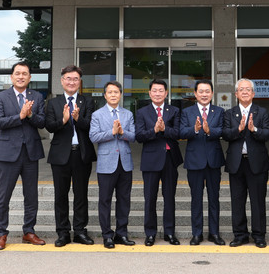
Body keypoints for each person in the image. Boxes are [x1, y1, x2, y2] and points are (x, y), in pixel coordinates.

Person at [0, 61, 46, 250]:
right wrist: (20, 116)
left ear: (30, 77)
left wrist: (30, 115)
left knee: (31, 196)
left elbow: (42, 122)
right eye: (18, 73)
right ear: (11, 77)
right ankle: (1, 234)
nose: (21, 76)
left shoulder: (37, 96)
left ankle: (28, 231)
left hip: (30, 153)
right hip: (8, 154)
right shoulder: (1, 97)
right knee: (3, 196)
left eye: (24, 74)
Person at [44, 65, 97, 247]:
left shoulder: (87, 102)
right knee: (61, 195)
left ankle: (80, 231)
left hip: (81, 154)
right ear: (62, 81)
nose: (72, 82)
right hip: (60, 155)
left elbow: (90, 125)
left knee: (81, 194)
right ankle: (63, 232)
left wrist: (77, 119)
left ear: (80, 82)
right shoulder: (53, 103)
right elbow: (49, 126)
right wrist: (64, 120)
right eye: (68, 78)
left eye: (75, 79)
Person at [223, 78, 269, 248]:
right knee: (237, 201)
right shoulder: (229, 113)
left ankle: (259, 235)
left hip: (257, 163)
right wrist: (238, 129)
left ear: (253, 93)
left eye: (248, 89)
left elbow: (268, 134)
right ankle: (240, 235)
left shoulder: (262, 112)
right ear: (236, 94)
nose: (244, 92)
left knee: (258, 201)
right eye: (241, 89)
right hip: (237, 163)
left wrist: (254, 129)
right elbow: (225, 134)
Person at [135, 79, 183, 246]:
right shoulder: (142, 112)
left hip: (170, 159)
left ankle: (169, 232)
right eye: (154, 90)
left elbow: (177, 133)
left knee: (169, 198)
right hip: (150, 160)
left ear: (166, 93)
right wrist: (154, 130)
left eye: (161, 90)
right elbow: (139, 136)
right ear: (149, 93)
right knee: (150, 198)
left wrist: (164, 129)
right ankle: (150, 233)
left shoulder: (174, 110)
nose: (157, 93)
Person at [89, 80, 136, 249]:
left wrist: (122, 133)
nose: (113, 95)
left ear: (121, 95)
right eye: (110, 92)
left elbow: (134, 136)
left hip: (125, 163)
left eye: (116, 92)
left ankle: (121, 234)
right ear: (105, 95)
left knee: (124, 200)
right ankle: (107, 235)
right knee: (105, 200)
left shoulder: (128, 114)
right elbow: (93, 136)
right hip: (106, 163)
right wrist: (112, 132)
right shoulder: (97, 115)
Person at [179, 79, 226, 246]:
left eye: (207, 91)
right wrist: (195, 129)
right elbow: (181, 132)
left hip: (213, 161)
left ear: (212, 93)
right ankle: (196, 233)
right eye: (201, 91)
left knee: (214, 198)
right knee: (196, 199)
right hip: (194, 161)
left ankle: (214, 233)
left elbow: (222, 130)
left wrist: (209, 131)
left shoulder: (219, 111)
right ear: (195, 94)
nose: (204, 94)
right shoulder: (187, 112)